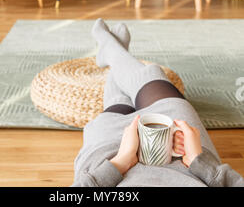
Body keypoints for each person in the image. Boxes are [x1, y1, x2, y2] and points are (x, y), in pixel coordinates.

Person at [72, 19, 244, 187]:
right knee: (152, 77)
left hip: (108, 162)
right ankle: (114, 50)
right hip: (186, 159)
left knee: (118, 105)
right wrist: (201, 163)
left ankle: (112, 50)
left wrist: (120, 162)